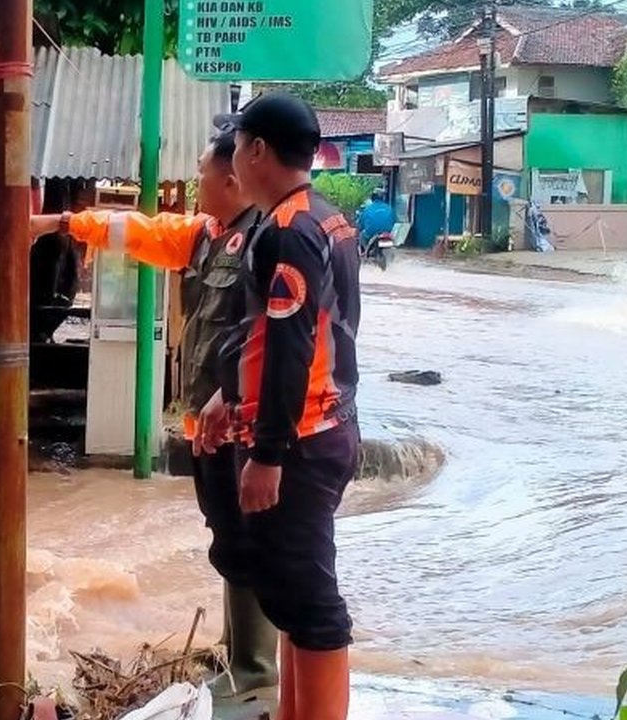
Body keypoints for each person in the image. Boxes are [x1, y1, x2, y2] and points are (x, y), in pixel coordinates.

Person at [29, 132, 279, 706]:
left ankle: (256, 666)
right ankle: (241, 654)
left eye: (202, 174)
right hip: (206, 427)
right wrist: (58, 223)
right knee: (227, 540)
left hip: (241, 426)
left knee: (248, 542)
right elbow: (134, 232)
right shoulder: (203, 236)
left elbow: (277, 339)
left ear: (232, 179)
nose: (194, 184)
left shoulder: (267, 241)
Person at [198, 92, 362, 720]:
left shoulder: (289, 231)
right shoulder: (322, 217)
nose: (231, 158)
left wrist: (267, 455)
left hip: (300, 440)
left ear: (258, 150)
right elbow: (293, 332)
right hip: (325, 424)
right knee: (293, 598)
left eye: (236, 145)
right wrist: (227, 394)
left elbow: (294, 347)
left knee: (314, 607)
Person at [355, 188, 396, 253]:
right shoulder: (389, 208)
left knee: (361, 235)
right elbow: (394, 221)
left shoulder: (367, 209)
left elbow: (361, 224)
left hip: (371, 235)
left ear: (372, 197)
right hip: (386, 234)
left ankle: (364, 253)